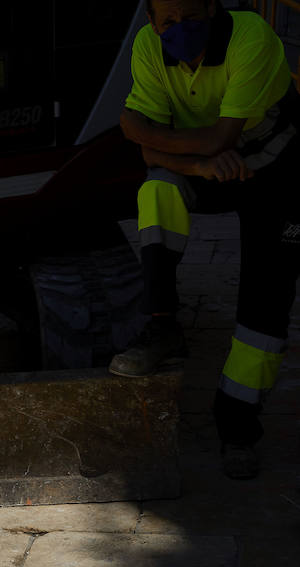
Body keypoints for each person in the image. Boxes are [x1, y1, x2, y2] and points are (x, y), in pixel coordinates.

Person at [109, 0, 300, 479]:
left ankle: (238, 428)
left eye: (191, 15)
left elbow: (214, 137)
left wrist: (158, 141)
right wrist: (195, 163)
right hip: (211, 167)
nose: (179, 28)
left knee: (266, 301)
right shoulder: (148, 47)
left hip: (279, 170)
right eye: (167, 21)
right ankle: (161, 324)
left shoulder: (250, 37)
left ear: (213, 8)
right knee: (157, 189)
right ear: (152, 23)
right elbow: (137, 133)